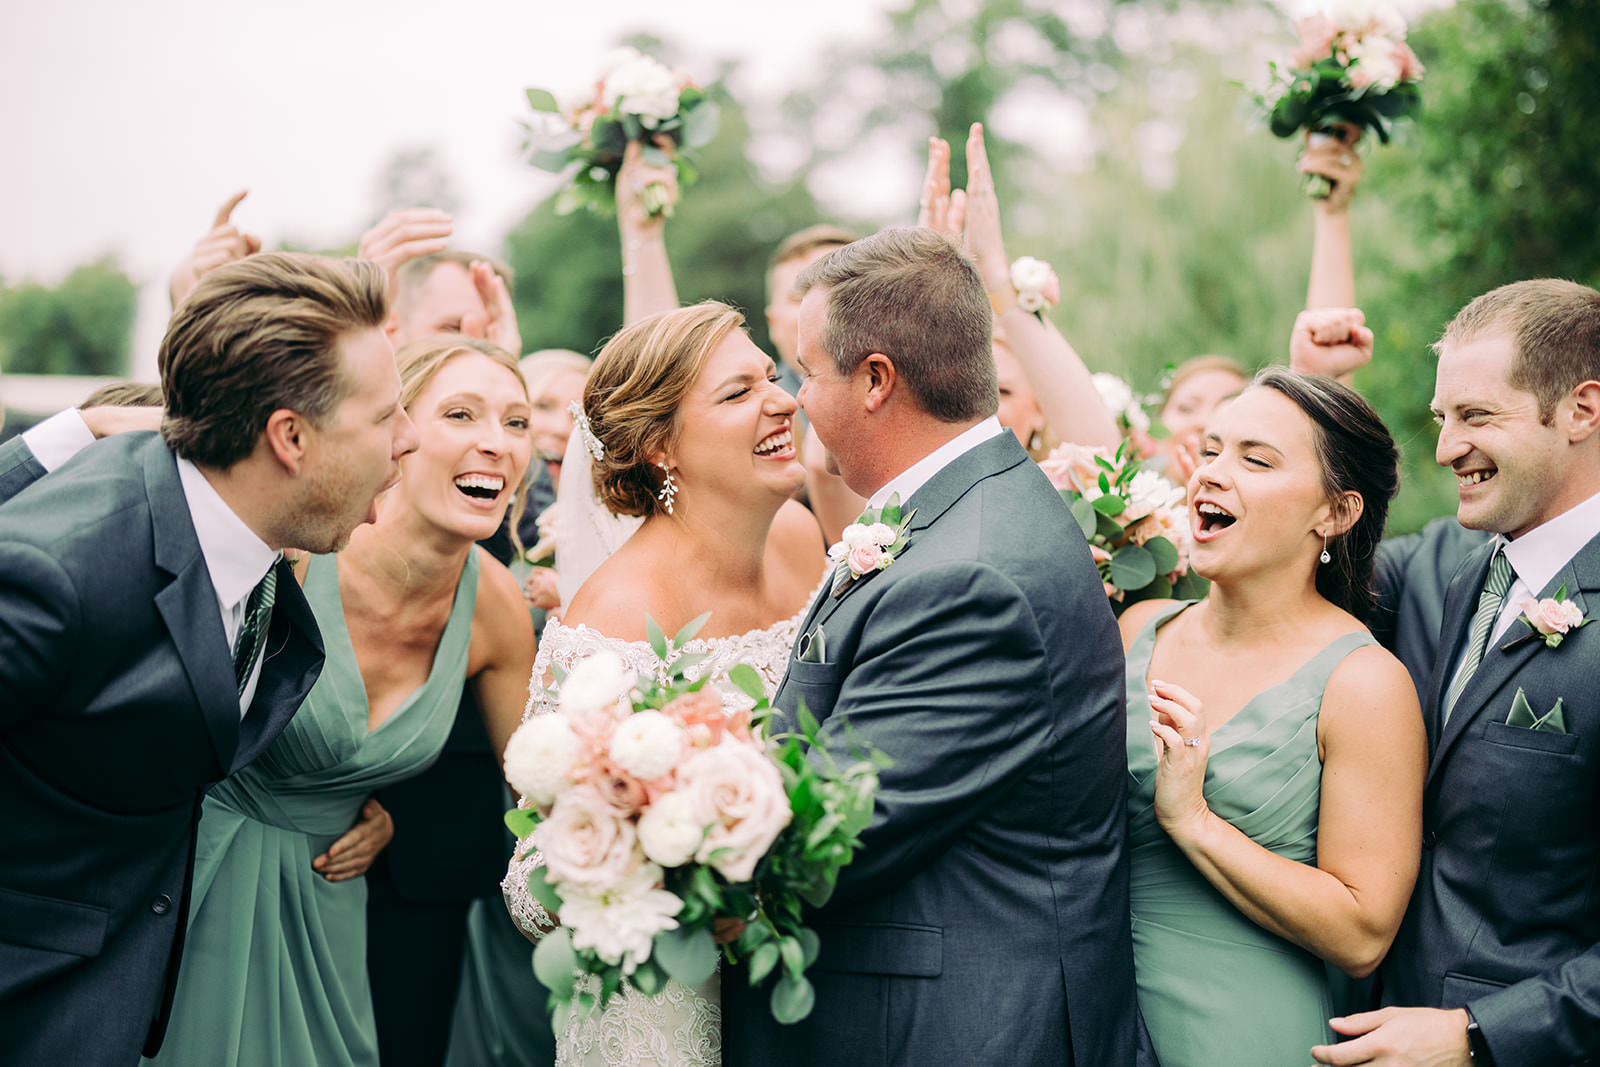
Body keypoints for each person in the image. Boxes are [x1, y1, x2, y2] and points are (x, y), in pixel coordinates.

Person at [723, 227, 1144, 1065]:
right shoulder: (960, 506)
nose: (796, 397)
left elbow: (827, 839)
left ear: (876, 379)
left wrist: (649, 813)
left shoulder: (973, 574)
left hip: (962, 1027)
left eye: (808, 372)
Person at [0, 252, 418, 1066]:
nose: (410, 441)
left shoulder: (254, 533)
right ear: (290, 436)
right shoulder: (61, 575)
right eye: (386, 416)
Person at [144, 336, 535, 1067]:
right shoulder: (293, 550)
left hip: (333, 909)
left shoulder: (497, 608)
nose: (496, 443)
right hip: (199, 883)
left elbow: (538, 797)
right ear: (399, 433)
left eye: (517, 423)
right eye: (462, 413)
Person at [503, 299, 828, 1067]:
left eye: (769, 377)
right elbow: (531, 884)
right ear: (661, 448)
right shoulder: (613, 620)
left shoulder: (799, 538)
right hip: (663, 1013)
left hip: (801, 978)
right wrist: (674, 867)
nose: (782, 399)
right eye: (737, 393)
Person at [1315, 279, 1600, 1067]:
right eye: (1444, 420)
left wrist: (1477, 1035)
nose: (1444, 449)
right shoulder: (1451, 567)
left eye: (1476, 417)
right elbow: (1299, 569)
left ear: (1581, 409)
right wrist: (1319, 386)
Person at [1118, 368, 1424, 1065]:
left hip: (1237, 1030)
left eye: (1256, 459)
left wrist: (1194, 822)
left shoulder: (1364, 682)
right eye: (1214, 448)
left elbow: (1362, 933)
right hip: (1087, 1012)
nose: (1213, 473)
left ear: (1336, 513)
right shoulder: (1137, 628)